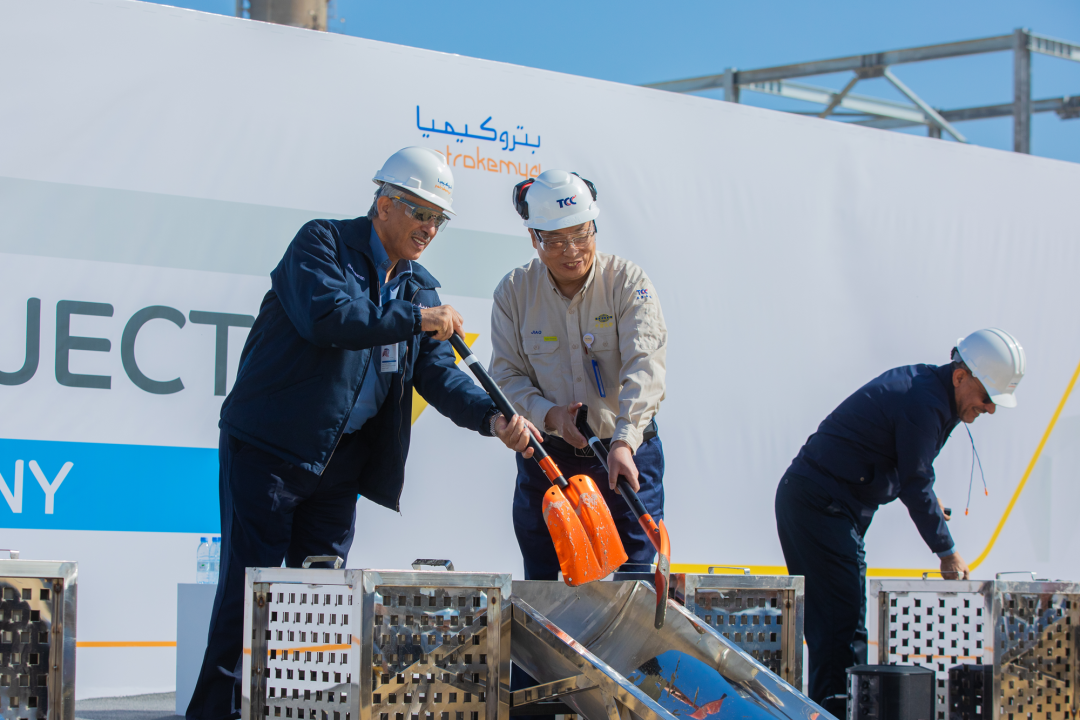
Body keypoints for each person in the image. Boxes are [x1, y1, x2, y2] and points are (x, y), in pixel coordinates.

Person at [186, 147, 537, 720]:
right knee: (248, 601)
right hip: (271, 453)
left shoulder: (420, 285)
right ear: (383, 205)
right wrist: (420, 318)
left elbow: (436, 373)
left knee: (318, 606)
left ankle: (293, 711)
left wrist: (489, 416)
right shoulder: (321, 243)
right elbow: (332, 319)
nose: (429, 228)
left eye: (438, 219)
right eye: (420, 213)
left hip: (340, 465)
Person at [774, 328, 1026, 715]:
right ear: (961, 377)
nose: (990, 408)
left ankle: (832, 708)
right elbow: (914, 481)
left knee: (839, 625)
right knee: (840, 627)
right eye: (988, 397)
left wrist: (930, 500)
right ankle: (833, 711)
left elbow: (912, 467)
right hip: (818, 505)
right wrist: (947, 552)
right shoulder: (924, 401)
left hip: (823, 504)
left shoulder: (934, 394)